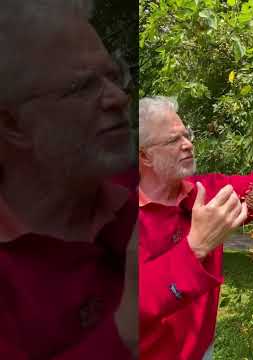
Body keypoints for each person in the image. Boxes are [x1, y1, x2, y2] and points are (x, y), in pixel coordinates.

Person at [138, 95, 253, 359]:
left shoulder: (206, 192)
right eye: (173, 140)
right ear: (145, 156)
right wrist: (195, 248)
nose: (188, 145)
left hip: (202, 350)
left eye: (187, 134)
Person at [0, 0, 137, 358]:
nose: (119, 97)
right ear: (12, 125)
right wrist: (127, 330)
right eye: (81, 87)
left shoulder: (133, 184)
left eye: (114, 74)